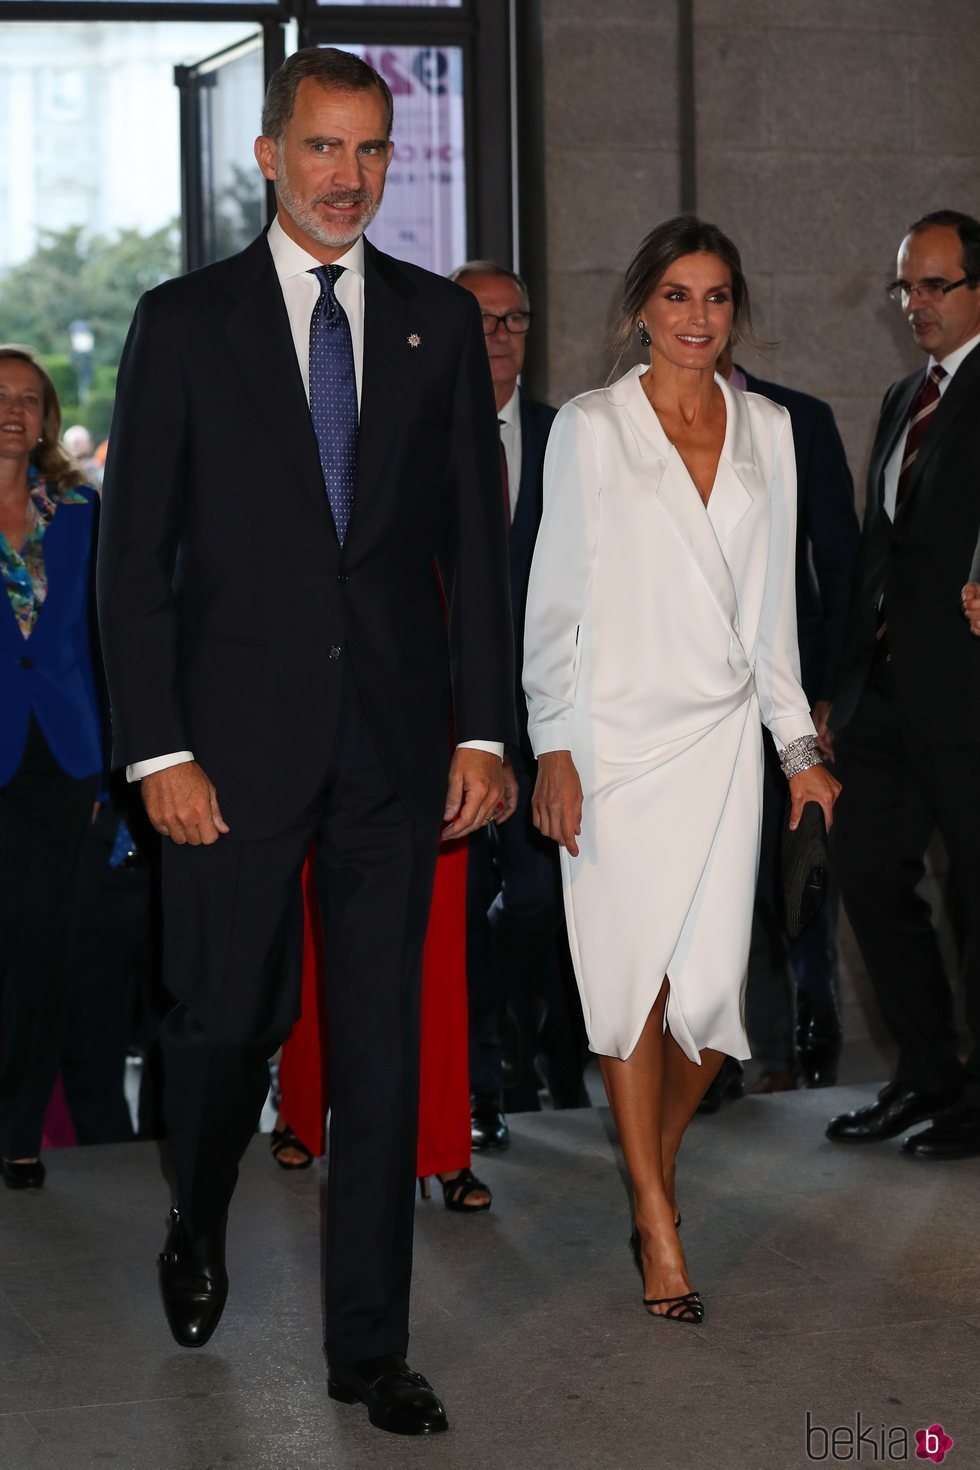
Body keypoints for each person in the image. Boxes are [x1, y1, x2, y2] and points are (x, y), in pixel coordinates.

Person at [97, 48, 514, 1437]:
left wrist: (481, 726)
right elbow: (133, 563)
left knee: (380, 1049)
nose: (350, 178)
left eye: (373, 151)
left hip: (395, 752)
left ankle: (367, 1349)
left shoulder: (434, 328)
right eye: (325, 149)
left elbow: (474, 547)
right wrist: (159, 752)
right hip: (226, 751)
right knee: (221, 1022)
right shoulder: (185, 321)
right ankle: (199, 1209)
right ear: (271, 153)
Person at [523, 216, 840, 1322]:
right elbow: (552, 599)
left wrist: (798, 753)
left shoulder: (771, 431)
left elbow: (771, 627)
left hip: (715, 747)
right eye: (675, 297)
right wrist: (550, 744)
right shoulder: (592, 430)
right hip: (609, 742)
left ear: (733, 312)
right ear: (637, 309)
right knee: (631, 986)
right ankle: (658, 1226)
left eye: (713, 299)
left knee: (707, 1002)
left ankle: (641, 1165)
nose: (695, 319)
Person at [826, 210, 980, 1160]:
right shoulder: (900, 397)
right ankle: (928, 1073)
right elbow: (876, 552)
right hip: (883, 694)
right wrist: (839, 690)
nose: (915, 304)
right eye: (905, 288)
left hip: (967, 694)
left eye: (934, 286)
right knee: (866, 872)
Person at [719, 350, 860, 1094]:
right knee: (721, 882)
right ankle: (726, 1056)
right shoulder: (626, 418)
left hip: (791, 692)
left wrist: (829, 694)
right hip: (690, 704)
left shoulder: (797, 418)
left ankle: (811, 1041)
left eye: (714, 300)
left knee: (799, 872)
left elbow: (841, 564)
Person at [448, 260, 564, 1149]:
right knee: (456, 921)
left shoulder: (568, 439)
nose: (499, 335)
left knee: (535, 907)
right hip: (439, 722)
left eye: (514, 320)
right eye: (481, 319)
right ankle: (481, 1088)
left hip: (543, 724)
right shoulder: (410, 431)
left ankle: (539, 1043)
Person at [0, 345, 102, 1188]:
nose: (12, 411)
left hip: (63, 763)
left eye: (29, 399)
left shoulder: (79, 513)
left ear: (46, 418)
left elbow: (102, 648)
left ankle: (20, 1129)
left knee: (44, 954)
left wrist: (110, 770)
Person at [274, 839, 495, 1211]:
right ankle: (302, 1106)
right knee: (323, 939)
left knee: (440, 949)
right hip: (322, 784)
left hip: (431, 786)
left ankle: (442, 1144)